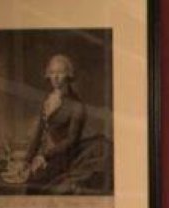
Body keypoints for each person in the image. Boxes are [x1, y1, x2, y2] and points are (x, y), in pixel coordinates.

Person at [21, 53, 113, 196]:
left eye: (60, 73)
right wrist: (27, 159)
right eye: (52, 73)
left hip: (68, 156)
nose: (55, 77)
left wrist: (45, 156)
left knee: (40, 186)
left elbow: (71, 140)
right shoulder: (48, 100)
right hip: (52, 154)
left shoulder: (76, 105)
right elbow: (39, 132)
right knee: (27, 181)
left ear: (68, 76)